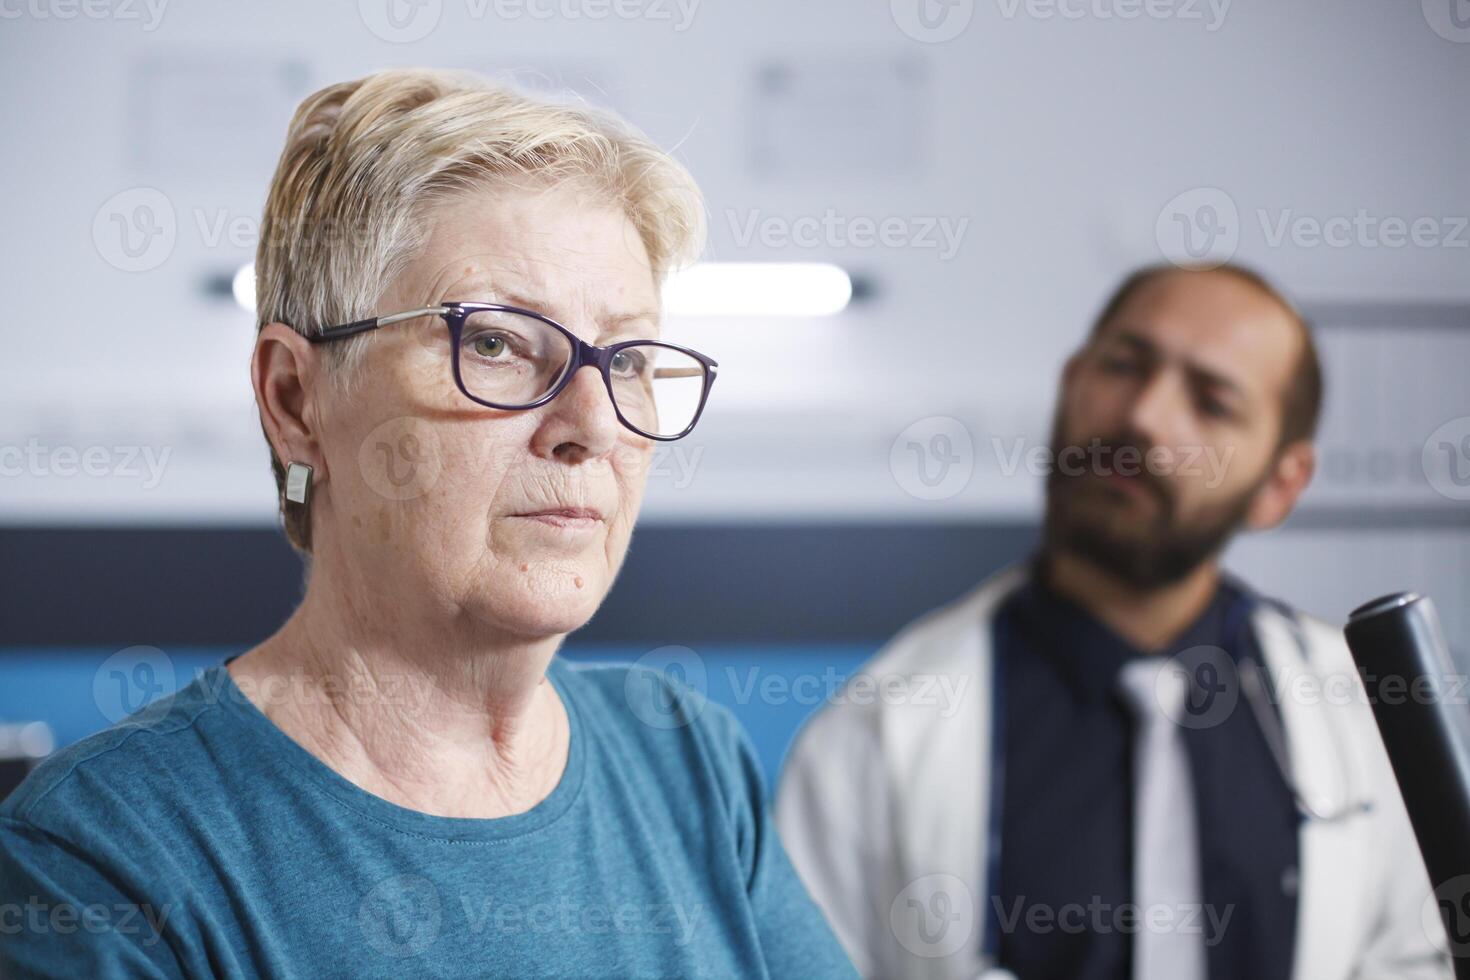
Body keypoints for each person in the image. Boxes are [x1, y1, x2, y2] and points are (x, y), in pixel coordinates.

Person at [0, 68, 855, 979]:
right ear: (296, 399)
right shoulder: (103, 862)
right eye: (494, 342)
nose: (595, 426)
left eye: (630, 358)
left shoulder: (685, 764)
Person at [776, 264, 1451, 980]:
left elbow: (1418, 959)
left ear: (1279, 485)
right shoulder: (878, 728)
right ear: (1071, 382)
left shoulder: (1371, 715)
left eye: (1212, 402)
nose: (1144, 417)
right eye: (1124, 366)